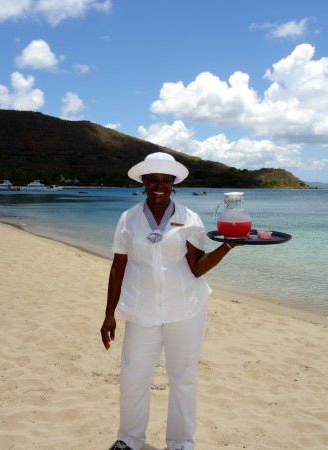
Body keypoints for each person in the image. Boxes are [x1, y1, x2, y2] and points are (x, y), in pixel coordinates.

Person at [100, 152, 239, 450]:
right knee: (133, 377)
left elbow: (196, 267)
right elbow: (118, 266)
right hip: (141, 310)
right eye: (153, 180)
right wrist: (109, 315)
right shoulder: (128, 219)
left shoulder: (190, 219)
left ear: (174, 183)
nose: (159, 186)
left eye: (165, 180)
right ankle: (129, 440)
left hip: (185, 308)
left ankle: (181, 444)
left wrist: (228, 245)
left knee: (183, 379)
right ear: (144, 183)